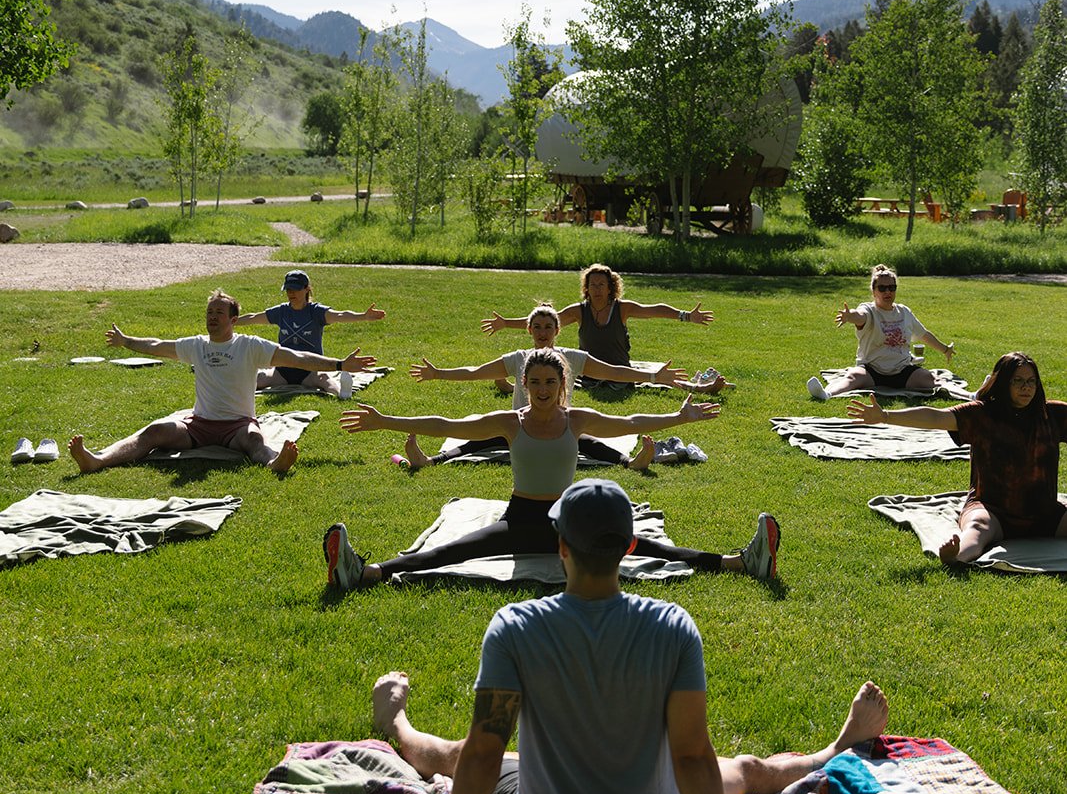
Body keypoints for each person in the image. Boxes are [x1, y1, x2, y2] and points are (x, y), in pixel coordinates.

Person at [365, 477, 888, 794]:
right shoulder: (672, 627)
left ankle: (399, 725)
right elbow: (690, 757)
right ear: (631, 547)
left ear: (561, 547)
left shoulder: (516, 628)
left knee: (465, 753)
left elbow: (481, 754)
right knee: (750, 769)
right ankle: (831, 751)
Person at [327, 347, 779, 587]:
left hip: (572, 520)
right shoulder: (510, 421)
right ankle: (364, 573)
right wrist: (385, 420)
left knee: (643, 548)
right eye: (536, 382)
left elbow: (632, 420)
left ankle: (740, 562)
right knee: (451, 552)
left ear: (564, 385)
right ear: (524, 386)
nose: (543, 389)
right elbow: (446, 422)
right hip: (521, 518)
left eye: (551, 382)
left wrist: (679, 418)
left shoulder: (576, 419)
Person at [68, 290, 377, 476]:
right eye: (209, 312)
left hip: (237, 426)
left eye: (219, 312)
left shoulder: (250, 345)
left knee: (256, 441)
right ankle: (98, 460)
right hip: (197, 425)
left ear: (233, 319)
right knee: (154, 431)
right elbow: (156, 345)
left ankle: (276, 463)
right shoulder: (196, 345)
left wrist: (338, 365)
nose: (212, 317)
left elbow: (297, 357)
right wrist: (126, 341)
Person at [407, 303, 724, 473]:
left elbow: (615, 371)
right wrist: (438, 374)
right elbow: (476, 372)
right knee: (481, 438)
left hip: (560, 423)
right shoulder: (518, 358)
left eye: (549, 327)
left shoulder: (571, 357)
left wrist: (654, 377)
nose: (543, 332)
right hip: (519, 424)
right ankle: (433, 460)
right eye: (538, 327)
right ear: (529, 330)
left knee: (586, 443)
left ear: (557, 330)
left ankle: (631, 463)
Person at [848, 352, 1067, 564]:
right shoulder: (983, 414)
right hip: (993, 511)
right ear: (1003, 383)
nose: (1026, 387)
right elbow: (936, 417)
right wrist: (885, 416)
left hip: (1043, 513)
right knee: (977, 531)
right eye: (1017, 381)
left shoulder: (1051, 415)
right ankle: (956, 556)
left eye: (1031, 381)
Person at [481, 264, 714, 379]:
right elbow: (544, 322)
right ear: (587, 288)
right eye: (593, 285)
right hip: (588, 373)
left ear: (611, 287)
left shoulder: (622, 309)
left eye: (602, 284)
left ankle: (701, 385)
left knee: (658, 377)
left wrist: (686, 316)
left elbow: (655, 310)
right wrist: (506, 323)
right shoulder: (579, 311)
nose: (597, 289)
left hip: (619, 371)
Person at [808, 264, 954, 401]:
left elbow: (923, 334)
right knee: (852, 377)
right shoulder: (869, 310)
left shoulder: (904, 312)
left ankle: (971, 396)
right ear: (874, 291)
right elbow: (860, 316)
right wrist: (850, 316)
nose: (888, 292)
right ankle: (826, 394)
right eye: (882, 288)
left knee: (933, 379)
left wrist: (945, 349)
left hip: (902, 369)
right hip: (872, 371)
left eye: (892, 287)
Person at [236, 269, 385, 398]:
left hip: (310, 371)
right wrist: (231, 322)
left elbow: (340, 315)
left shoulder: (316, 312)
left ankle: (343, 393)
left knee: (325, 381)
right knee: (255, 379)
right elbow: (254, 317)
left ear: (307, 289)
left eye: (295, 289)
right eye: (288, 289)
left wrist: (363, 316)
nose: (291, 293)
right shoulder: (281, 311)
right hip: (282, 371)